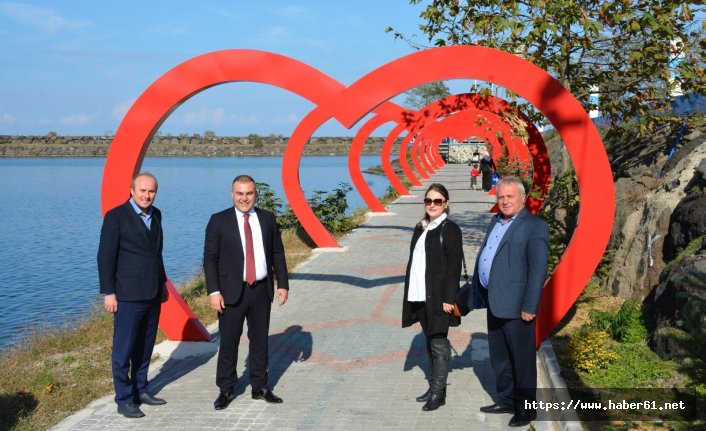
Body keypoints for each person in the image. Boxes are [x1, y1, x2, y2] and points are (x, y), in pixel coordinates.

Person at [204, 175, 289, 410]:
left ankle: (260, 387)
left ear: (255, 194)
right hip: (231, 292)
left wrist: (282, 283)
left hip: (261, 289)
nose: (244, 198)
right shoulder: (218, 221)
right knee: (229, 343)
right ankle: (226, 389)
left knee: (260, 341)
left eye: (249, 193)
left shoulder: (267, 219)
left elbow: (277, 254)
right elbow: (210, 259)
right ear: (232, 194)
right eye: (240, 194)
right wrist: (214, 291)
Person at [472, 176, 549, 427]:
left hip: (518, 307)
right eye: (500, 197)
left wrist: (530, 306)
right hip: (495, 302)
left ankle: (526, 409)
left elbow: (538, 271)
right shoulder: (496, 221)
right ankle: (506, 399)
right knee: (500, 357)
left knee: (522, 360)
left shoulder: (534, 226)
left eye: (509, 196)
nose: (504, 201)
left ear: (523, 198)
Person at [97, 172, 168, 418]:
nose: (147, 196)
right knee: (123, 349)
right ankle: (124, 398)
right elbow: (105, 258)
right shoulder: (116, 217)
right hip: (127, 295)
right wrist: (109, 292)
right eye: (142, 191)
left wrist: (164, 283)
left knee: (145, 346)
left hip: (152, 292)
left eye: (151, 191)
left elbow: (156, 253)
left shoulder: (156, 214)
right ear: (132, 190)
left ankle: (141, 389)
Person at [402, 183, 463, 412]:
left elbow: (453, 268)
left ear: (446, 203)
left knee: (438, 341)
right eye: (428, 201)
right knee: (429, 339)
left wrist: (449, 298)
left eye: (437, 201)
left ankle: (439, 393)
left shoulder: (450, 229)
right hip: (419, 295)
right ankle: (433, 386)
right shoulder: (421, 227)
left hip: (438, 297)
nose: (432, 205)